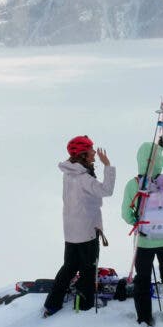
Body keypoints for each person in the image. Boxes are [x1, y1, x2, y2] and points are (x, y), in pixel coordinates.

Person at [44, 135, 115, 317]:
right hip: (87, 231)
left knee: (69, 266)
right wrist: (108, 166)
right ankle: (85, 306)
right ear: (83, 155)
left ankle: (52, 304)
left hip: (71, 231)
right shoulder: (83, 177)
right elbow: (106, 191)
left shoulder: (70, 174)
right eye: (91, 150)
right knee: (88, 269)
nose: (94, 153)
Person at [121, 141, 163, 326]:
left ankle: (144, 317)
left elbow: (126, 213)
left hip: (144, 242)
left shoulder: (133, 184)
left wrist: (137, 222)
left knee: (142, 280)